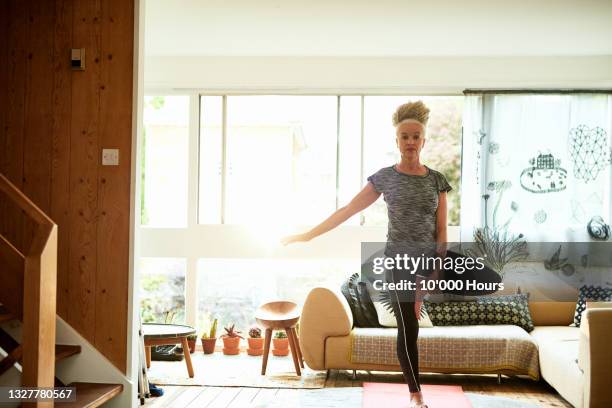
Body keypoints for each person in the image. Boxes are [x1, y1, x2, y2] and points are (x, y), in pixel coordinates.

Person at [281, 100, 451, 408]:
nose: (410, 142)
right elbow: (347, 210)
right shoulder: (385, 178)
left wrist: (435, 273)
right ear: (397, 141)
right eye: (405, 136)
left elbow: (442, 233)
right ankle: (416, 395)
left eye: (416, 136)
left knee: (412, 326)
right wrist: (307, 235)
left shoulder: (437, 181)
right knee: (409, 327)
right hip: (398, 264)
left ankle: (415, 392)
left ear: (423, 141)